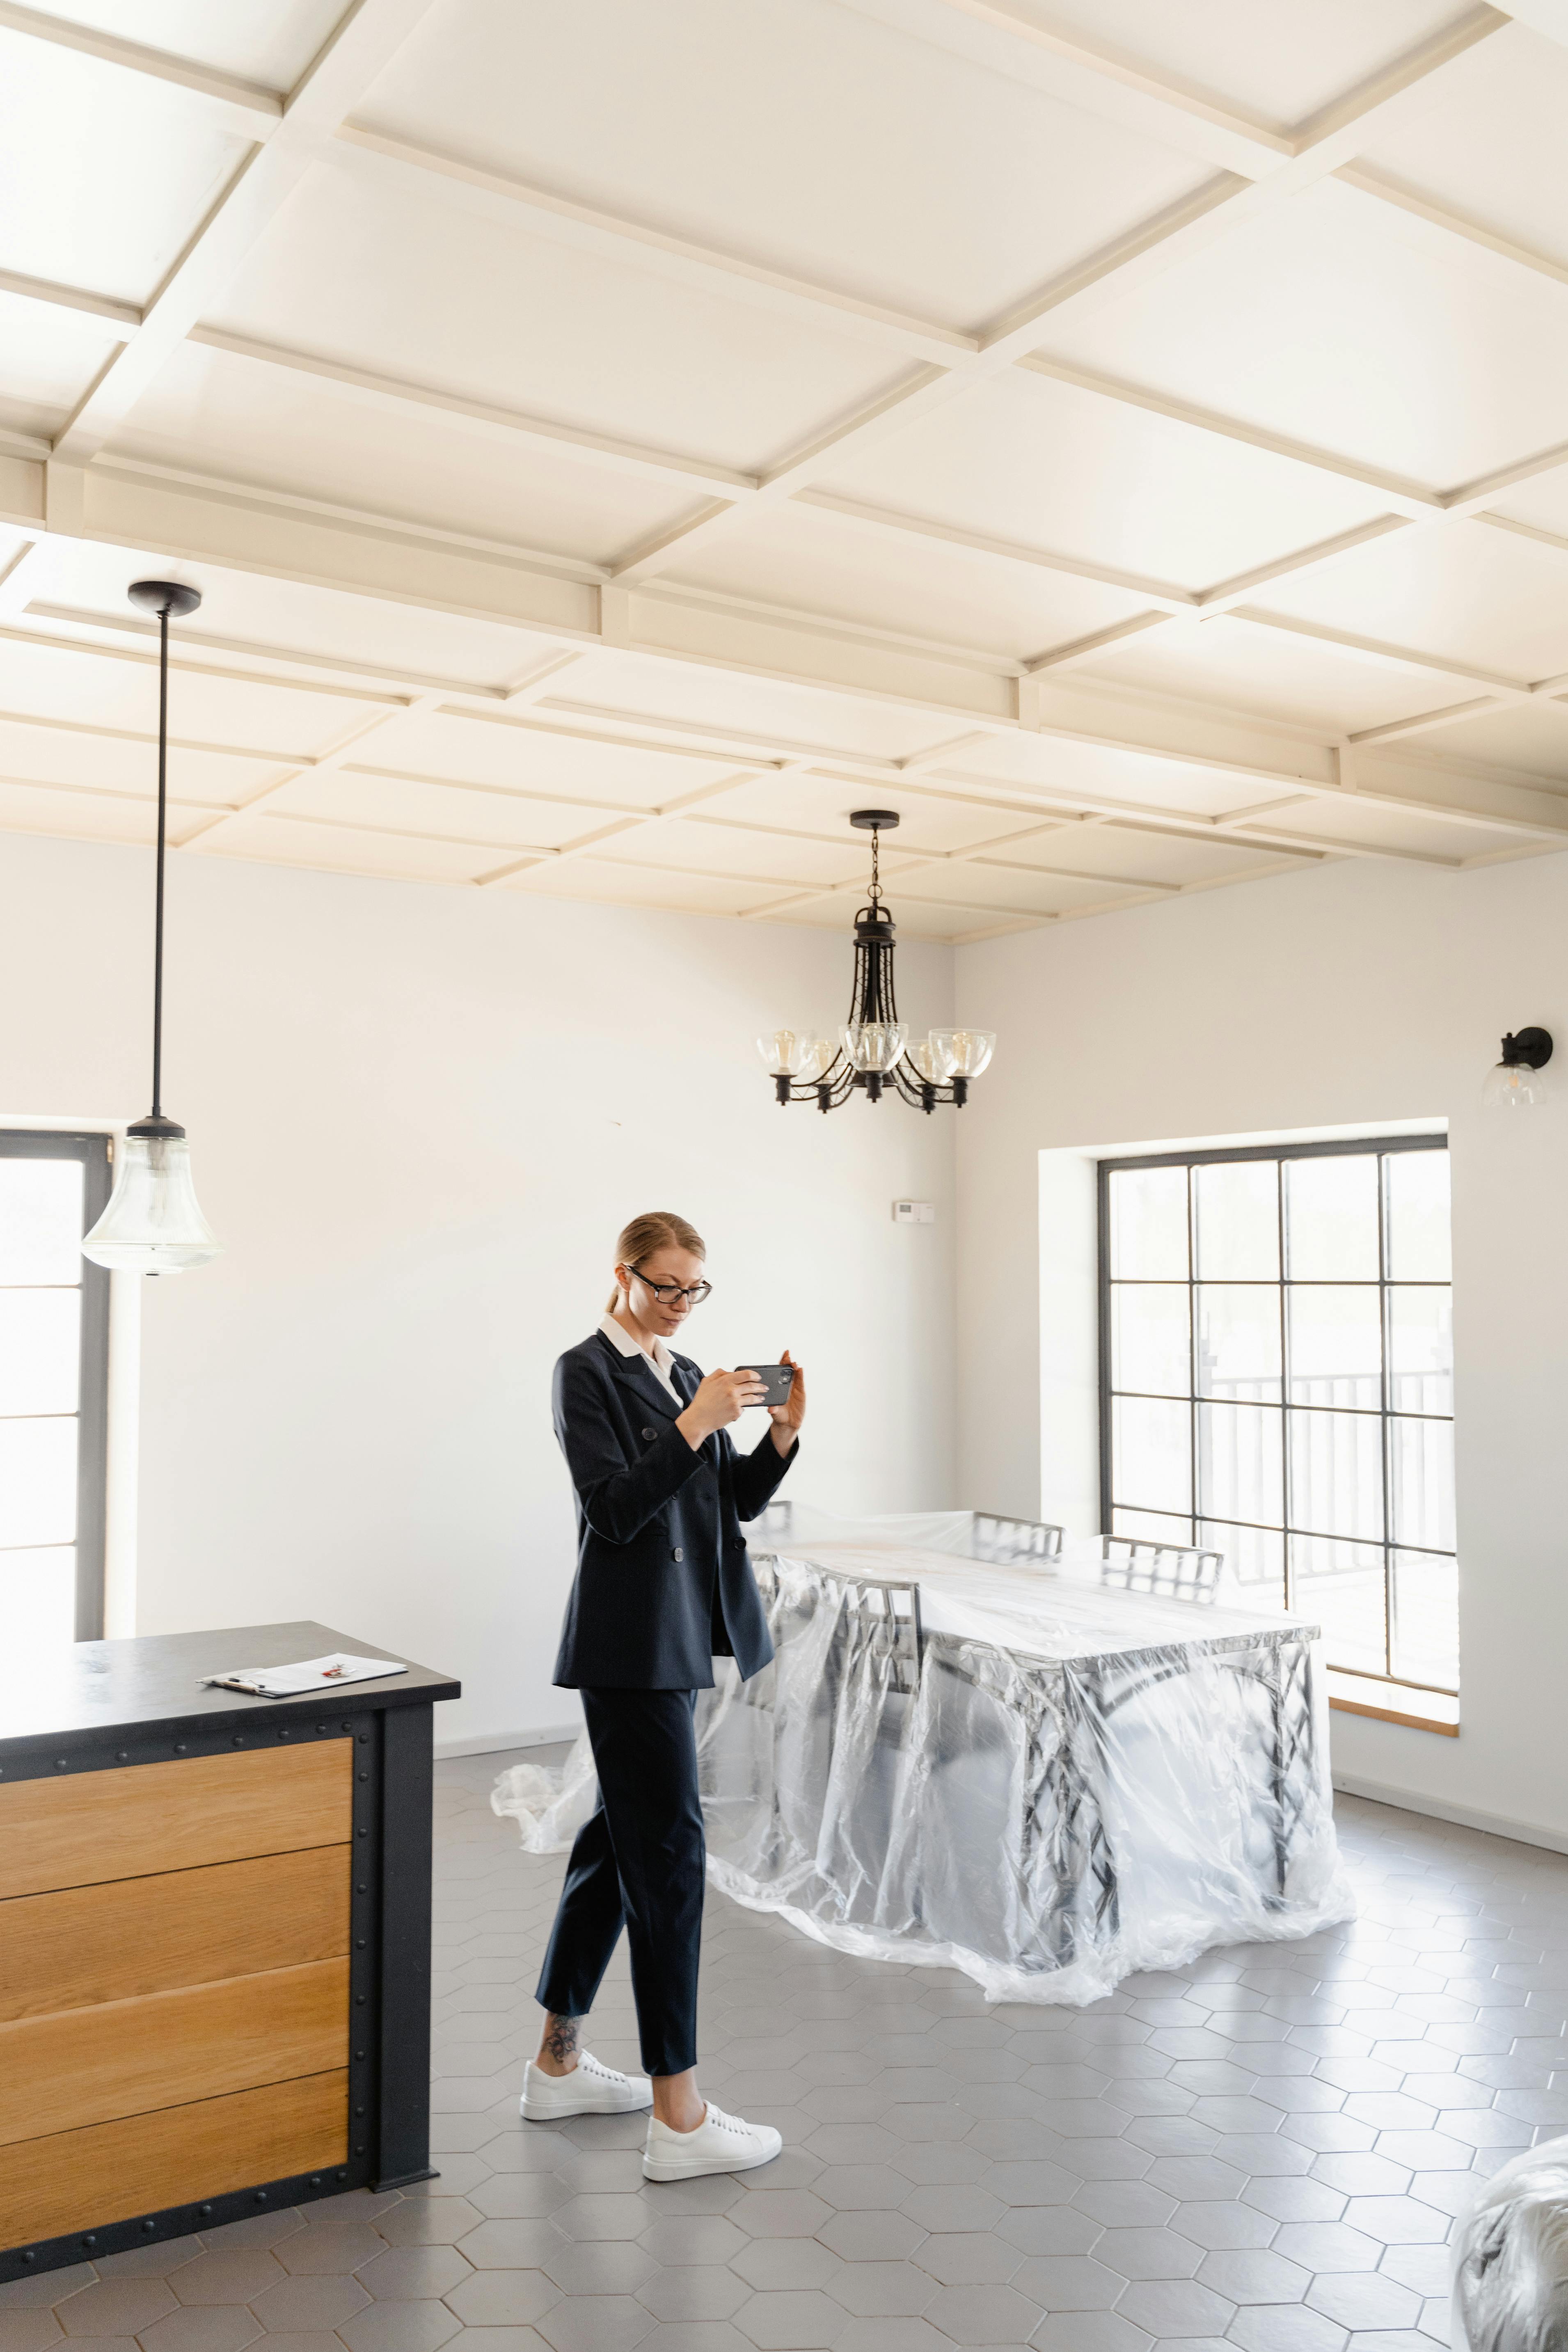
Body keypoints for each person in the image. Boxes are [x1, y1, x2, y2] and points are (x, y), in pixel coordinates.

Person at [521, 1209, 804, 2180]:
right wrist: (695, 1423)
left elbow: (726, 1507)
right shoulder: (585, 1371)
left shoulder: (687, 1375)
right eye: (665, 1287)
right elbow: (612, 1509)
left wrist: (778, 1435)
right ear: (624, 1275)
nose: (681, 1305)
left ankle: (557, 2064)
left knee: (618, 1841)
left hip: (677, 1639)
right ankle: (678, 2113)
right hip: (626, 1643)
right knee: (672, 1853)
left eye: (695, 1289)